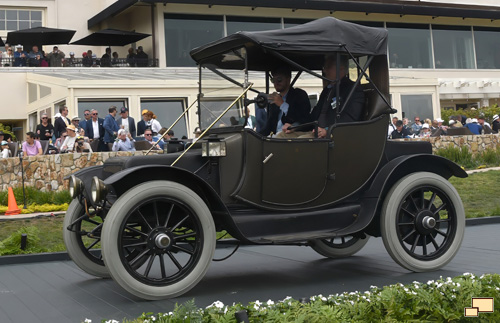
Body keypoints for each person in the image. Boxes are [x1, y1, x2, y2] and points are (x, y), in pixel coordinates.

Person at [305, 54, 365, 138]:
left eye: (328, 67)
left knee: (297, 142)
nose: (325, 71)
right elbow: (314, 115)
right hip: (315, 133)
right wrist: (294, 126)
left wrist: (327, 130)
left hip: (334, 137)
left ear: (341, 68)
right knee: (282, 135)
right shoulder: (327, 90)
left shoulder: (353, 90)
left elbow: (350, 119)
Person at [259, 66, 311, 138]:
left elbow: (302, 118)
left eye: (279, 79)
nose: (276, 83)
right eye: (273, 80)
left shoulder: (299, 95)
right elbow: (269, 125)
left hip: (292, 136)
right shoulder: (274, 101)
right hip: (275, 136)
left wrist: (282, 104)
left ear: (288, 79)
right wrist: (256, 136)